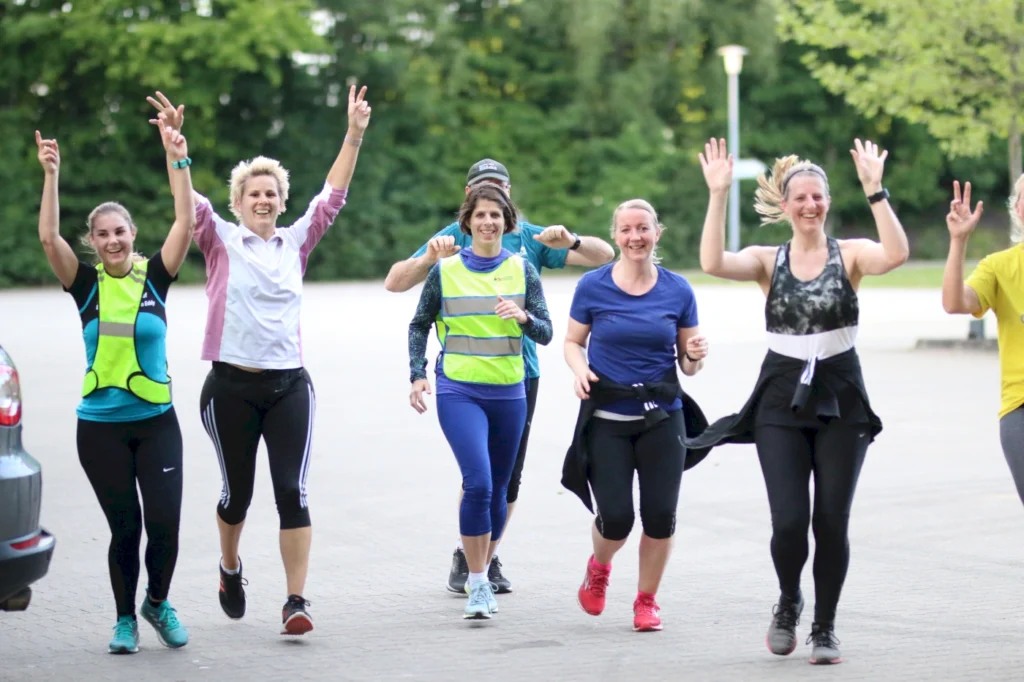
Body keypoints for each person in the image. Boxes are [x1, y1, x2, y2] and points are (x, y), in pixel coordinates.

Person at [146, 85, 371, 635]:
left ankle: (296, 600)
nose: (263, 199)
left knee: (292, 491)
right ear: (239, 202)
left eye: (271, 193)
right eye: (254, 193)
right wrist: (177, 153)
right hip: (230, 389)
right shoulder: (219, 239)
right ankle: (229, 566)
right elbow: (186, 204)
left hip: (290, 386)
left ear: (281, 201)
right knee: (237, 496)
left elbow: (333, 195)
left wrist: (353, 134)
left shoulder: (297, 242)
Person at [687, 137, 908, 664]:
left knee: (831, 521)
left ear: (828, 202)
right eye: (801, 198)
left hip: (841, 393)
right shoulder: (769, 260)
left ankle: (824, 627)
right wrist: (718, 193)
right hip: (781, 394)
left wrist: (875, 190)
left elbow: (897, 254)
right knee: (789, 520)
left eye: (818, 197)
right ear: (785, 206)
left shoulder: (850, 254)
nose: (810, 205)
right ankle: (789, 600)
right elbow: (712, 261)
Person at [386, 158, 613, 595]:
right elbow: (395, 282)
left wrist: (572, 239)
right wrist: (429, 258)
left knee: (508, 479)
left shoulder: (531, 238)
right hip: (466, 376)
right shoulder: (456, 235)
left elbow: (605, 257)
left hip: (519, 373)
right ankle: (467, 556)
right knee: (478, 476)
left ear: (509, 196)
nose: (488, 212)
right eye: (481, 192)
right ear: (468, 200)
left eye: (498, 190)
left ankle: (487, 557)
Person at [35, 120, 195, 654]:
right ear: (93, 241)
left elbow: (185, 219)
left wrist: (177, 157)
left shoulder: (157, 276)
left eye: (119, 231)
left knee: (165, 525)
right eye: (102, 234)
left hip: (157, 424)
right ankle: (124, 620)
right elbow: (48, 238)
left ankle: (158, 602)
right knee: (126, 529)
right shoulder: (84, 285)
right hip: (100, 429)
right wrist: (51, 174)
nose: (112, 240)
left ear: (132, 234)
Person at [560, 198, 708, 633]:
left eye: (643, 228)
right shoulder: (593, 285)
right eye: (626, 229)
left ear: (657, 233)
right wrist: (580, 369)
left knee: (661, 516)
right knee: (617, 519)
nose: (635, 237)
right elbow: (572, 342)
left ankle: (646, 601)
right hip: (607, 419)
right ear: (615, 235)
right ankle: (599, 567)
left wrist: (695, 354)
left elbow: (689, 365)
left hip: (663, 418)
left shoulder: (678, 290)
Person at [407, 183, 553, 620]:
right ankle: (476, 583)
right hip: (459, 390)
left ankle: (482, 570)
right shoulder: (445, 270)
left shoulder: (523, 269)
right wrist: (417, 373)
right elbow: (419, 323)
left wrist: (523, 317)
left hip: (510, 392)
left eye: (495, 215)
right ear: (467, 223)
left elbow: (546, 331)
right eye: (480, 215)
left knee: (500, 491)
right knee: (479, 483)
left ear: (507, 222)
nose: (488, 222)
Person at [940, 177, 1024, 504]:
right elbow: (954, 303)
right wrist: (958, 241)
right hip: (1020, 406)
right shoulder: (999, 267)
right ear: (1018, 209)